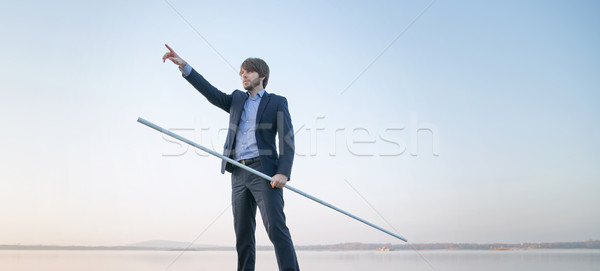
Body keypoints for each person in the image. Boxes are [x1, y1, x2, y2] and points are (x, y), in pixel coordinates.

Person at [162, 44, 300, 271]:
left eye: (248, 71)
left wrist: (283, 172)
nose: (243, 75)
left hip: (265, 172)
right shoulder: (236, 99)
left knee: (276, 228)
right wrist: (185, 66)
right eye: (241, 72)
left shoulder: (276, 102)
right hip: (237, 172)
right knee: (243, 234)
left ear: (262, 75)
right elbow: (210, 92)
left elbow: (287, 139)